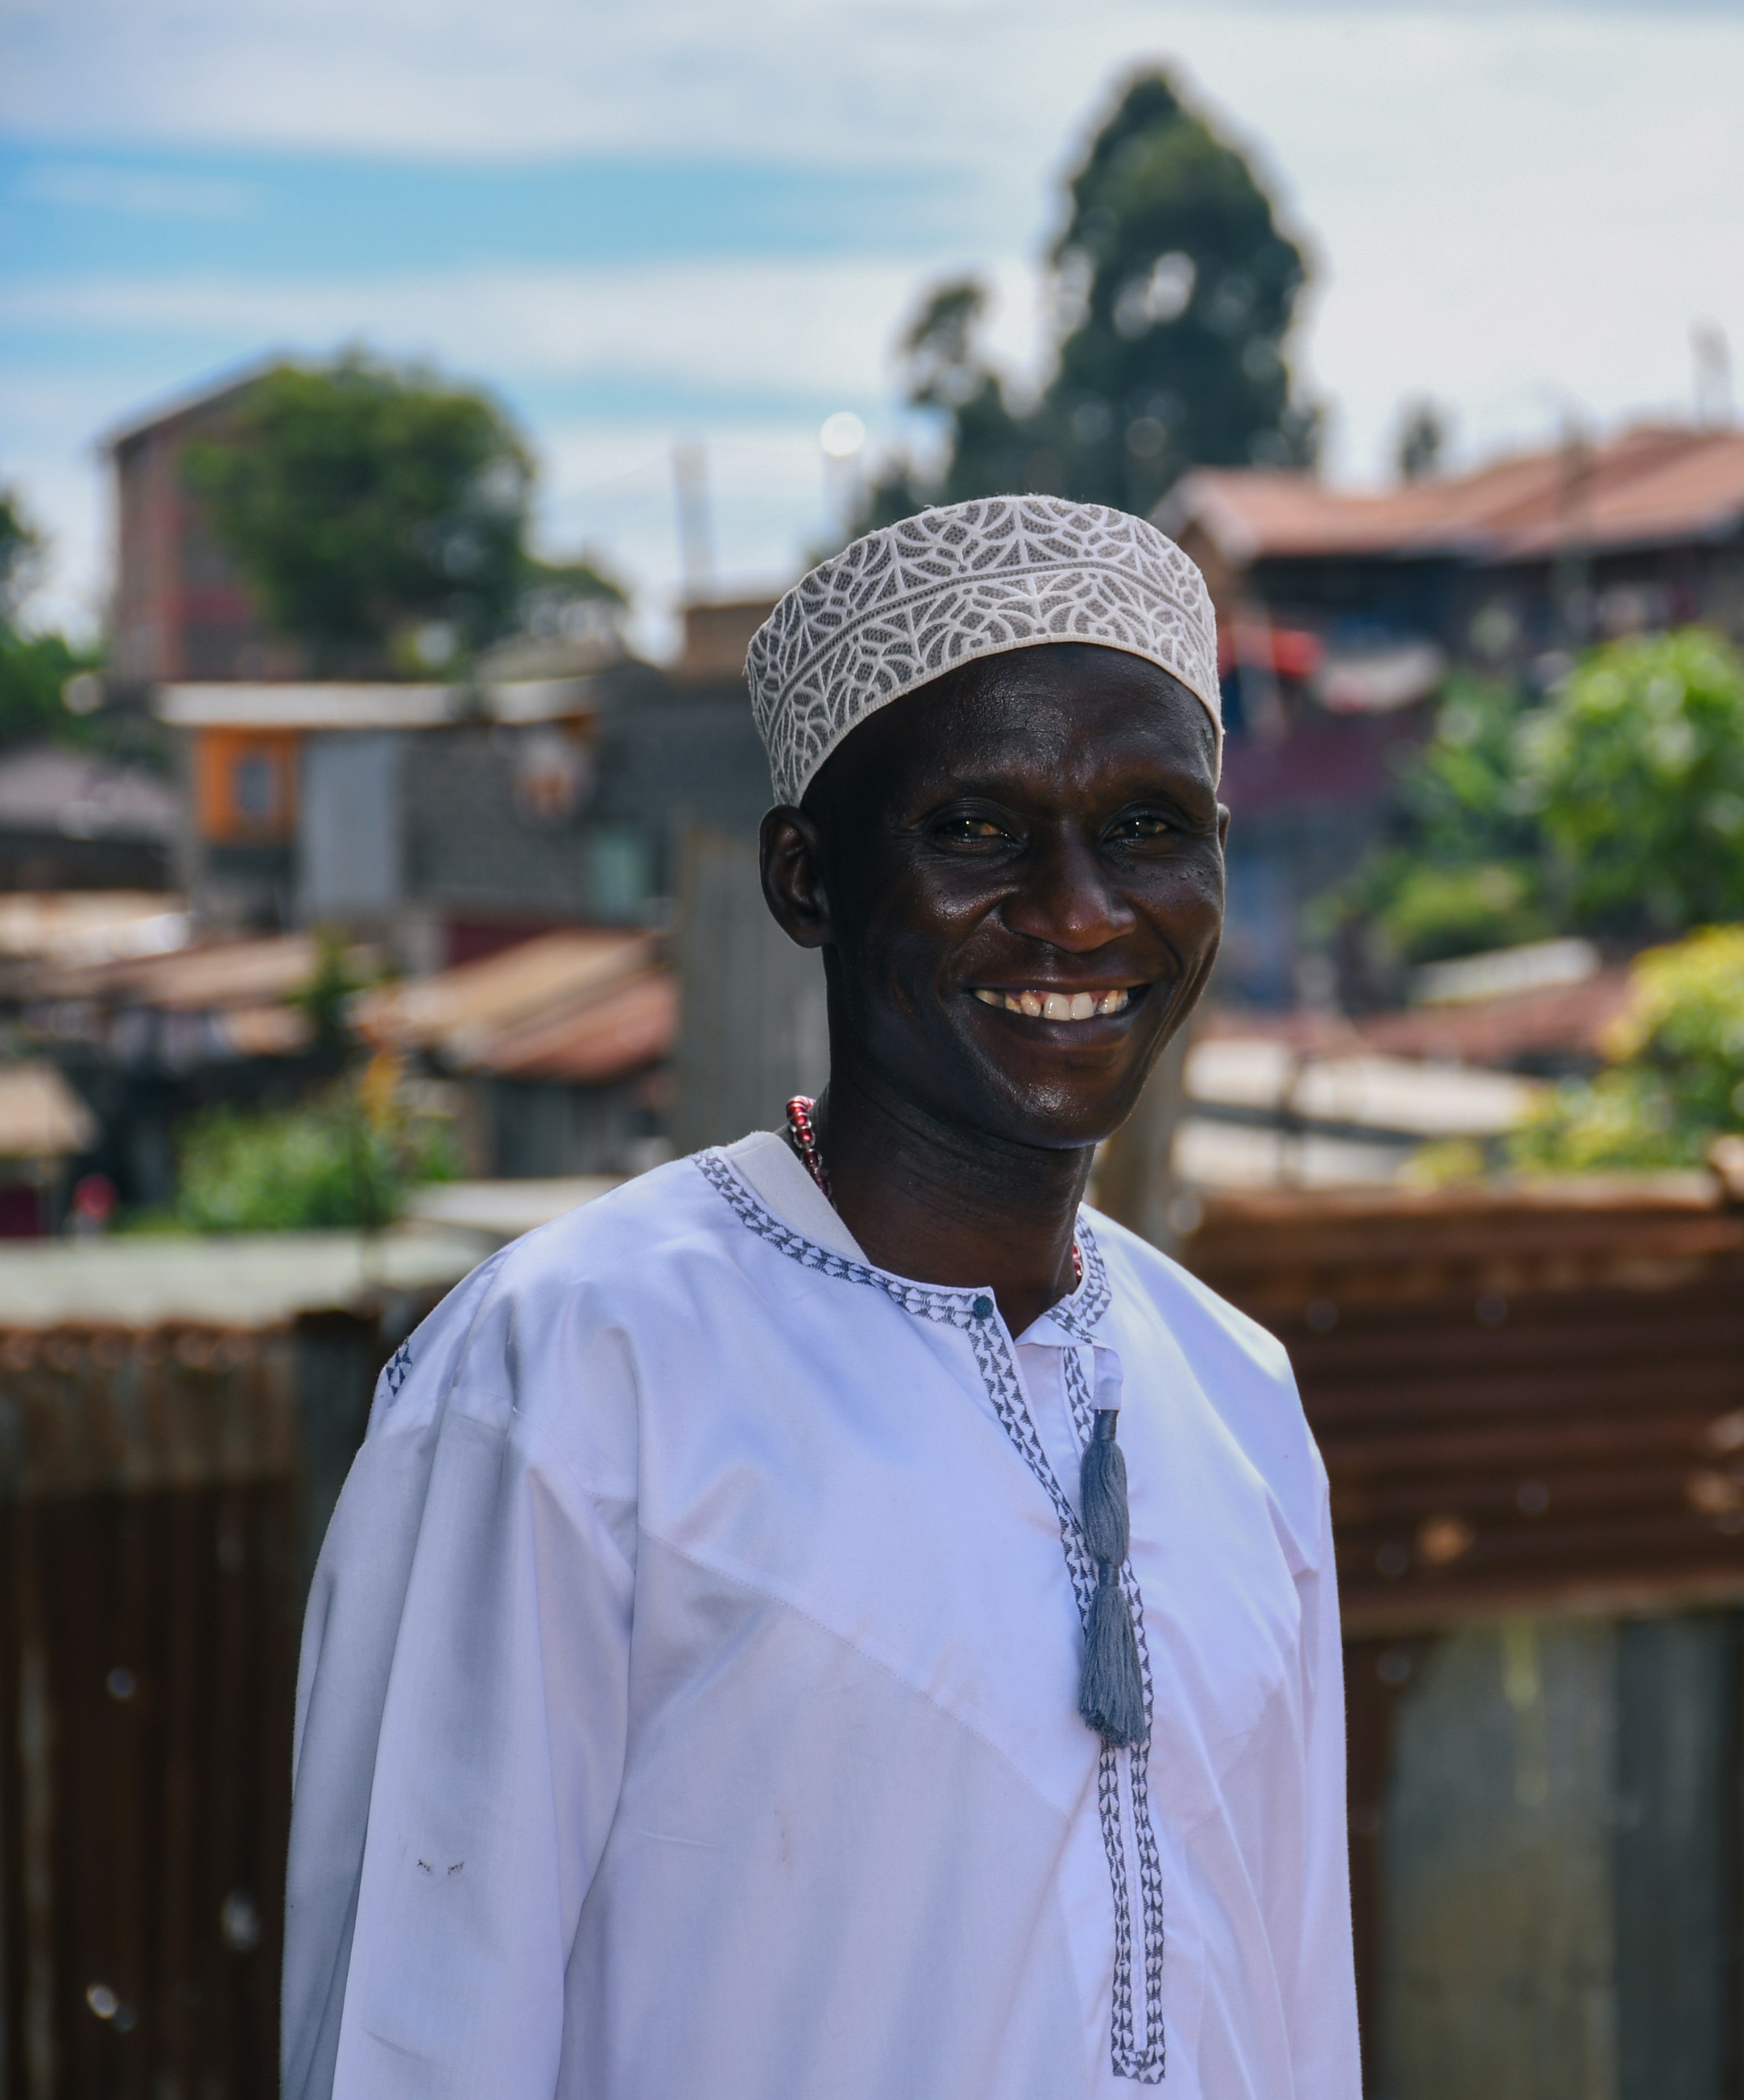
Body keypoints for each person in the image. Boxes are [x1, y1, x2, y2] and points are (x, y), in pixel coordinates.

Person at [284, 496, 1357, 2099]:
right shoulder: (575, 1366)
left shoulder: (1237, 1393)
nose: (1080, 911)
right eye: (978, 831)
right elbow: (415, 2032)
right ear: (808, 879)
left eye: (1149, 826)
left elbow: (1297, 2009)